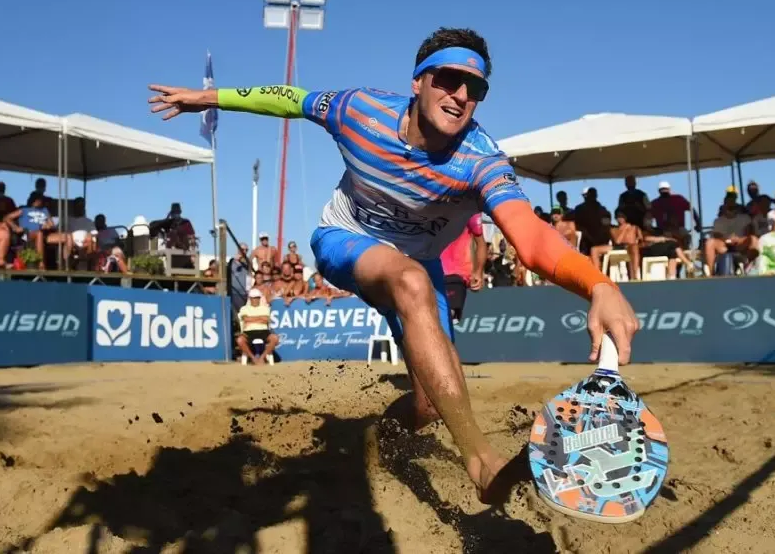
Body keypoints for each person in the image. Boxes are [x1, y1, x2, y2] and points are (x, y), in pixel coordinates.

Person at [147, 26, 639, 504]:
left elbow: (530, 237)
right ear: (417, 82)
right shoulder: (361, 110)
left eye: (476, 87)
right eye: (448, 79)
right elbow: (289, 98)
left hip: (418, 265)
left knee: (429, 404)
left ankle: (376, 442)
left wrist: (598, 285)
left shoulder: (481, 160)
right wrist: (210, 99)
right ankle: (481, 462)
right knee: (410, 281)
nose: (461, 94)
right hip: (346, 239)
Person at [440, 213, 487, 321]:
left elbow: (480, 243)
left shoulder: (469, 209)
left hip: (457, 275)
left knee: (448, 316)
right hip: (429, 272)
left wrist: (478, 272)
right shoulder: (428, 203)